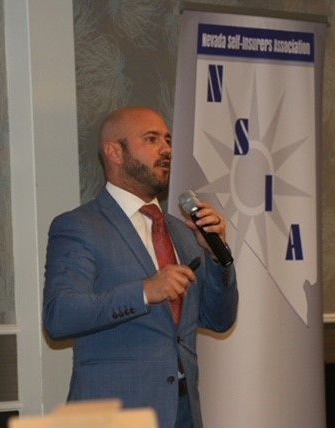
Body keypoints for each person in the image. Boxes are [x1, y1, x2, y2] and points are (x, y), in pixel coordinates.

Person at [43, 106, 238, 428]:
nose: (166, 149)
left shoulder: (183, 232)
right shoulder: (80, 227)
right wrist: (145, 292)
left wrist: (217, 258)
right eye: (151, 139)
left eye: (168, 140)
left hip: (184, 412)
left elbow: (219, 319)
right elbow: (59, 316)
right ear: (114, 152)